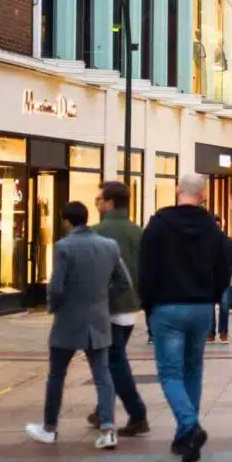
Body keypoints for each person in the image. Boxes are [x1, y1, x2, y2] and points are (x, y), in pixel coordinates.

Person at [140, 175, 230, 462]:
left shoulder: (158, 224)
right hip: (201, 307)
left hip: (167, 306)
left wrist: (148, 305)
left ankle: (190, 426)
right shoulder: (212, 228)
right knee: (193, 370)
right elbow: (224, 269)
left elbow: (145, 268)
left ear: (178, 190)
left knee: (170, 373)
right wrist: (213, 296)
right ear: (204, 195)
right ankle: (185, 438)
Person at [26, 202, 131, 450]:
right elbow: (124, 282)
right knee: (103, 375)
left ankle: (49, 427)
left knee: (56, 374)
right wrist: (103, 299)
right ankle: (108, 429)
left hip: (68, 319)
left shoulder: (64, 246)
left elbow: (56, 287)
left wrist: (55, 307)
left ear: (66, 221)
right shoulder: (109, 245)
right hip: (99, 319)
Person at [88, 182, 148, 436]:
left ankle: (137, 413)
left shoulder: (95, 233)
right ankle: (102, 409)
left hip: (105, 307)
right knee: (113, 358)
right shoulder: (139, 232)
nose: (97, 203)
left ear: (110, 203)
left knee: (113, 361)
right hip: (131, 307)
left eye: (99, 199)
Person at [210, 216, 232, 344]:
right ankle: (210, 333)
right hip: (209, 279)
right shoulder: (205, 240)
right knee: (209, 307)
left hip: (224, 278)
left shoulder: (228, 241)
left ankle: (223, 333)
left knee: (224, 305)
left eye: (218, 226)